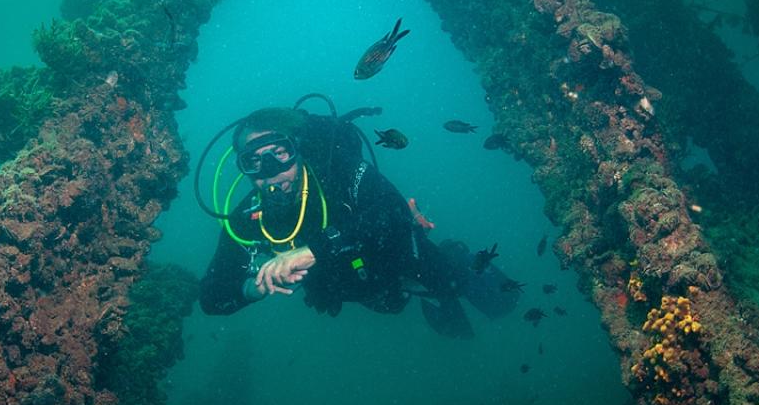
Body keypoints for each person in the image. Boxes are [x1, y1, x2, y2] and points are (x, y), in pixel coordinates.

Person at [197, 103, 519, 337]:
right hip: (354, 289)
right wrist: (255, 288)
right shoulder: (248, 218)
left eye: (279, 153)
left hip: (403, 259)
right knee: (393, 305)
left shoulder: (338, 170)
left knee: (453, 283)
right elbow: (212, 298)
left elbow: (391, 211)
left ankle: (455, 263)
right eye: (253, 161)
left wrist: (313, 250)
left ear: (297, 149)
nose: (271, 170)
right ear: (243, 168)